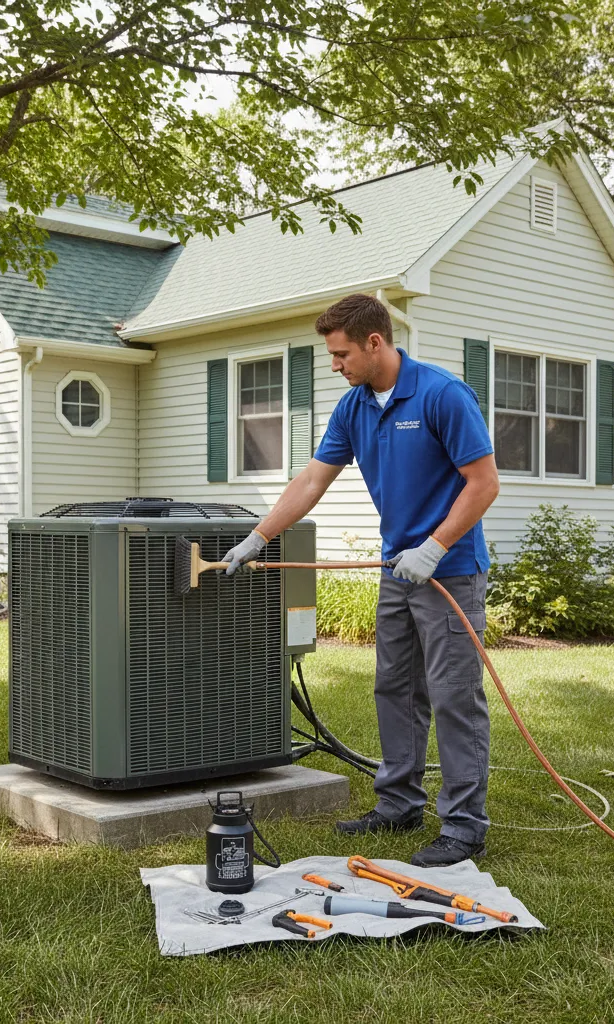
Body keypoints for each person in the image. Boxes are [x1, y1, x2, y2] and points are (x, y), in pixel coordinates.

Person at [223, 293, 500, 867]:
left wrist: (435, 546)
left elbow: (484, 483)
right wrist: (258, 537)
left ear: (375, 342)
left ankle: (464, 827)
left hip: (449, 572)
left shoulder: (442, 395)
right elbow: (311, 481)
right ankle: (399, 804)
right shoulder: (353, 407)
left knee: (453, 696)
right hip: (397, 570)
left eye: (341, 353)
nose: (334, 365)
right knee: (394, 687)